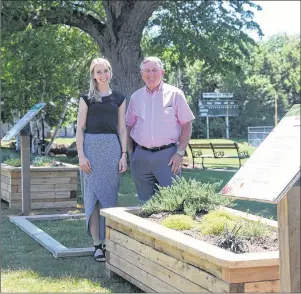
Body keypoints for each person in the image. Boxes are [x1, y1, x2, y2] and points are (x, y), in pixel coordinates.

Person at [76, 57, 127, 262]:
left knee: (109, 199)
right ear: (93, 75)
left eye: (105, 70)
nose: (103, 75)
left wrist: (124, 154)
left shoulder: (120, 98)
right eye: (98, 71)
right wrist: (81, 155)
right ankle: (97, 244)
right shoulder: (86, 98)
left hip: (112, 150)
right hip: (91, 149)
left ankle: (109, 242)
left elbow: (122, 128)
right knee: (92, 198)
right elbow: (80, 128)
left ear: (110, 72)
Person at [126, 56, 195, 203]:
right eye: (147, 71)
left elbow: (187, 124)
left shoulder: (175, 94)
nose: (151, 74)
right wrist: (132, 154)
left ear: (162, 72)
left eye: (155, 70)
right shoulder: (135, 97)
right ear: (142, 74)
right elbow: (129, 125)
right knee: (145, 204)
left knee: (173, 203)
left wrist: (180, 153)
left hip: (168, 157)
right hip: (140, 158)